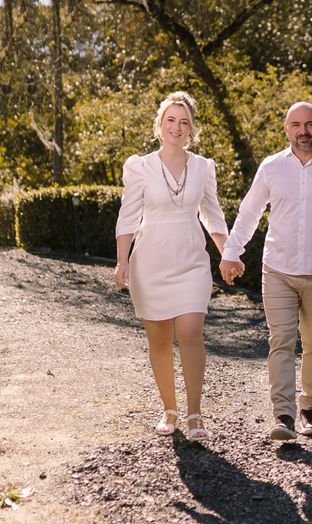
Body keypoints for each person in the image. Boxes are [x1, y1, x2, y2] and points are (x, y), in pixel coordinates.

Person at [219, 101, 312, 441]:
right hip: (278, 270)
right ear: (286, 129)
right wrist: (231, 252)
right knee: (281, 341)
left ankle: (309, 408)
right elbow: (249, 213)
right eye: (296, 125)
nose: (304, 131)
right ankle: (283, 415)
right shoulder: (271, 167)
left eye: (310, 124)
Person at [113, 91, 229, 442]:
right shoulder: (140, 167)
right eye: (171, 120)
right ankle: (169, 410)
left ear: (192, 128)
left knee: (191, 331)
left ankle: (195, 414)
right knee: (160, 340)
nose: (177, 127)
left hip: (192, 261)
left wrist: (228, 254)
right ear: (160, 125)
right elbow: (128, 216)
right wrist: (122, 261)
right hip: (150, 263)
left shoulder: (203, 167)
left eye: (184, 122)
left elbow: (212, 215)